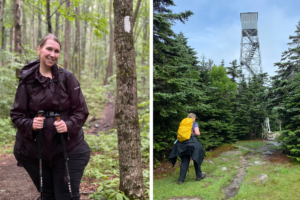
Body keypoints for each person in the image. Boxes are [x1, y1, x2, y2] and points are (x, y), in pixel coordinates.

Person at [10, 33, 90, 199]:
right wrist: (30, 124)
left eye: (56, 51)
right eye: (49, 49)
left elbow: (81, 111)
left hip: (68, 150)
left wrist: (68, 125)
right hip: (35, 152)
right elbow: (17, 114)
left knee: (65, 195)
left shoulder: (67, 78)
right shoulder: (28, 80)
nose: (52, 54)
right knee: (47, 195)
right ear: (39, 49)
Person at [169, 113, 206, 185]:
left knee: (185, 161)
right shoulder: (194, 123)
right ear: (193, 118)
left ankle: (181, 180)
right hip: (192, 144)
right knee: (196, 158)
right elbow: (197, 133)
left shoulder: (183, 123)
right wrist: (194, 133)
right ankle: (199, 176)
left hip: (181, 145)